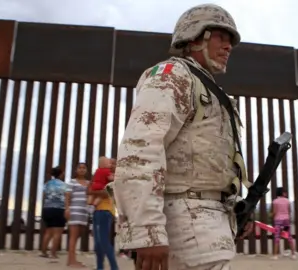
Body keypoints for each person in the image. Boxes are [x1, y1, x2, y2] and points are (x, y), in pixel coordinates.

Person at [111, 4, 254, 270]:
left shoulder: (209, 89)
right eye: (221, 37)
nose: (228, 47)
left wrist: (234, 208)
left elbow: (208, 163)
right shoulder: (173, 76)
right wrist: (147, 230)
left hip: (210, 223)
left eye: (231, 41)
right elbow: (140, 149)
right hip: (183, 223)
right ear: (195, 37)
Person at [87, 161, 119, 270]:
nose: (110, 165)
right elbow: (89, 190)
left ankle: (114, 267)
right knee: (97, 243)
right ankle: (100, 267)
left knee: (104, 241)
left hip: (105, 211)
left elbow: (105, 193)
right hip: (98, 211)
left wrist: (93, 192)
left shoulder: (115, 179)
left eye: (113, 164)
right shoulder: (101, 177)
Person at [65, 162, 90, 267]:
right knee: (73, 237)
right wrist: (67, 209)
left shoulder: (89, 183)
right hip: (74, 210)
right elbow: (67, 196)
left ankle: (71, 259)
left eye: (84, 168)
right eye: (79, 168)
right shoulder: (72, 182)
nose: (82, 169)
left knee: (78, 236)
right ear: (76, 170)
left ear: (86, 170)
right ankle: (72, 261)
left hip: (84, 212)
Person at [40, 166, 67, 259]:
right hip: (59, 209)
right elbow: (67, 198)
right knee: (57, 233)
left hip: (47, 209)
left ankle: (43, 252)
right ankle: (53, 253)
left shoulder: (47, 184)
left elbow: (44, 196)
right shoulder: (64, 185)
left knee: (48, 232)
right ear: (61, 174)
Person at [271, 187, 295, 259]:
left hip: (278, 220)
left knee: (277, 237)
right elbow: (289, 211)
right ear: (282, 193)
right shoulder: (287, 201)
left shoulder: (275, 201)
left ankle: (275, 255)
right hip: (286, 220)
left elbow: (274, 212)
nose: (286, 193)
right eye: (285, 192)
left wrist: (271, 215)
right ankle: (293, 254)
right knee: (289, 236)